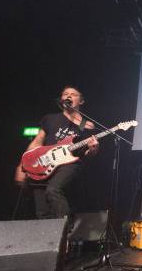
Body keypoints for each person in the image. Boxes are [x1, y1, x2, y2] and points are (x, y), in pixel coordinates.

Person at [14, 85, 99, 219]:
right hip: (43, 163)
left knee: (53, 190)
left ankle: (64, 231)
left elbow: (88, 154)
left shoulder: (87, 125)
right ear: (61, 100)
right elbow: (37, 142)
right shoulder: (50, 119)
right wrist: (22, 166)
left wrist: (93, 149)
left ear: (81, 101)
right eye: (65, 94)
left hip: (69, 163)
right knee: (42, 212)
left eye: (73, 94)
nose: (69, 96)